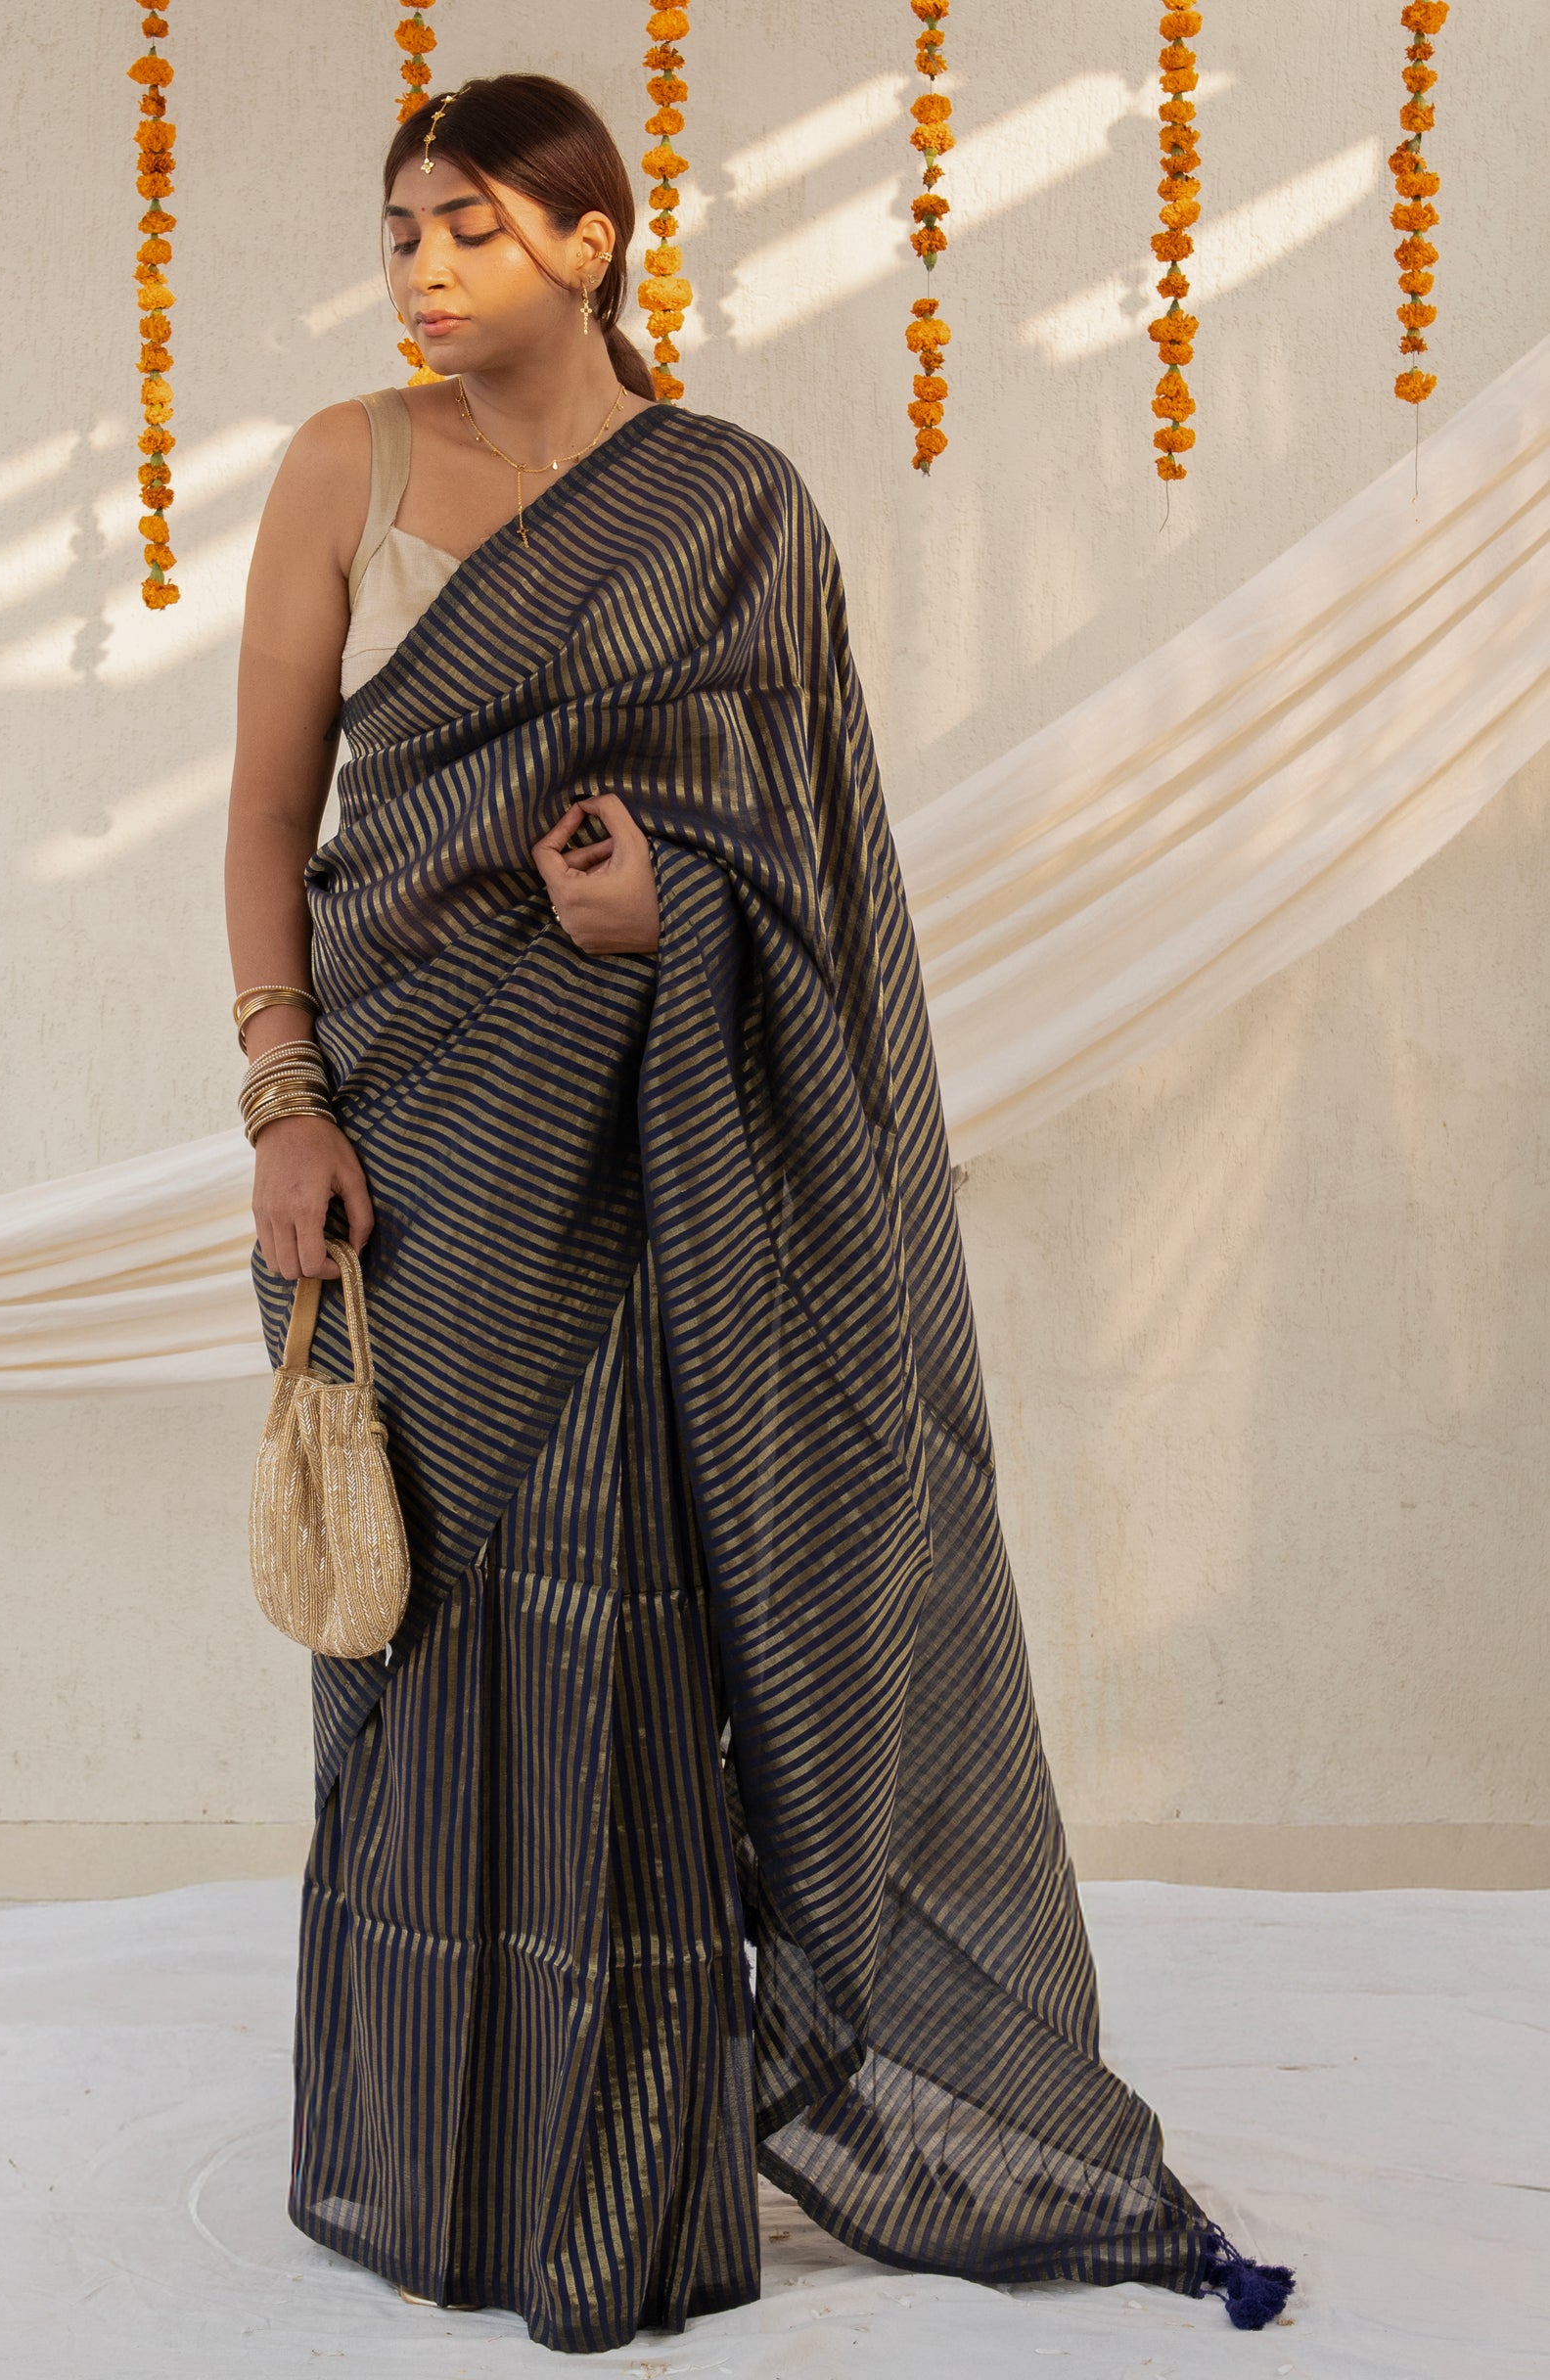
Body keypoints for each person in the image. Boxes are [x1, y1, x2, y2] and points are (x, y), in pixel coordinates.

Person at [222, 71, 1294, 2361]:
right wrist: (282, 1096)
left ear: (590, 243)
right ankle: (428, 2154)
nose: (421, 268)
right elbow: (265, 825)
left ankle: (617, 2184)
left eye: (470, 227)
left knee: (620, 1646)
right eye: (400, 228)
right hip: (411, 1147)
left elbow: (820, 864)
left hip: (661, 1159)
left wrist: (671, 912)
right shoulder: (345, 467)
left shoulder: (731, 512)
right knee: (422, 1652)